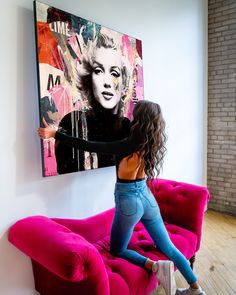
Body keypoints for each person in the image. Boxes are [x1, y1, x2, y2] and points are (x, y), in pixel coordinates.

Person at [38, 100, 205, 295]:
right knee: (169, 247)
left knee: (117, 249)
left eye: (135, 113)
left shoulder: (127, 145)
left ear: (139, 119)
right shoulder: (149, 142)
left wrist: (56, 134)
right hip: (147, 197)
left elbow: (91, 145)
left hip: (129, 201)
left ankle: (155, 266)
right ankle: (196, 288)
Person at [55, 33, 132, 174]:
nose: (107, 82)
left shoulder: (127, 127)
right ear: (88, 79)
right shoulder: (72, 123)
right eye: (99, 71)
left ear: (124, 82)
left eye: (114, 73)